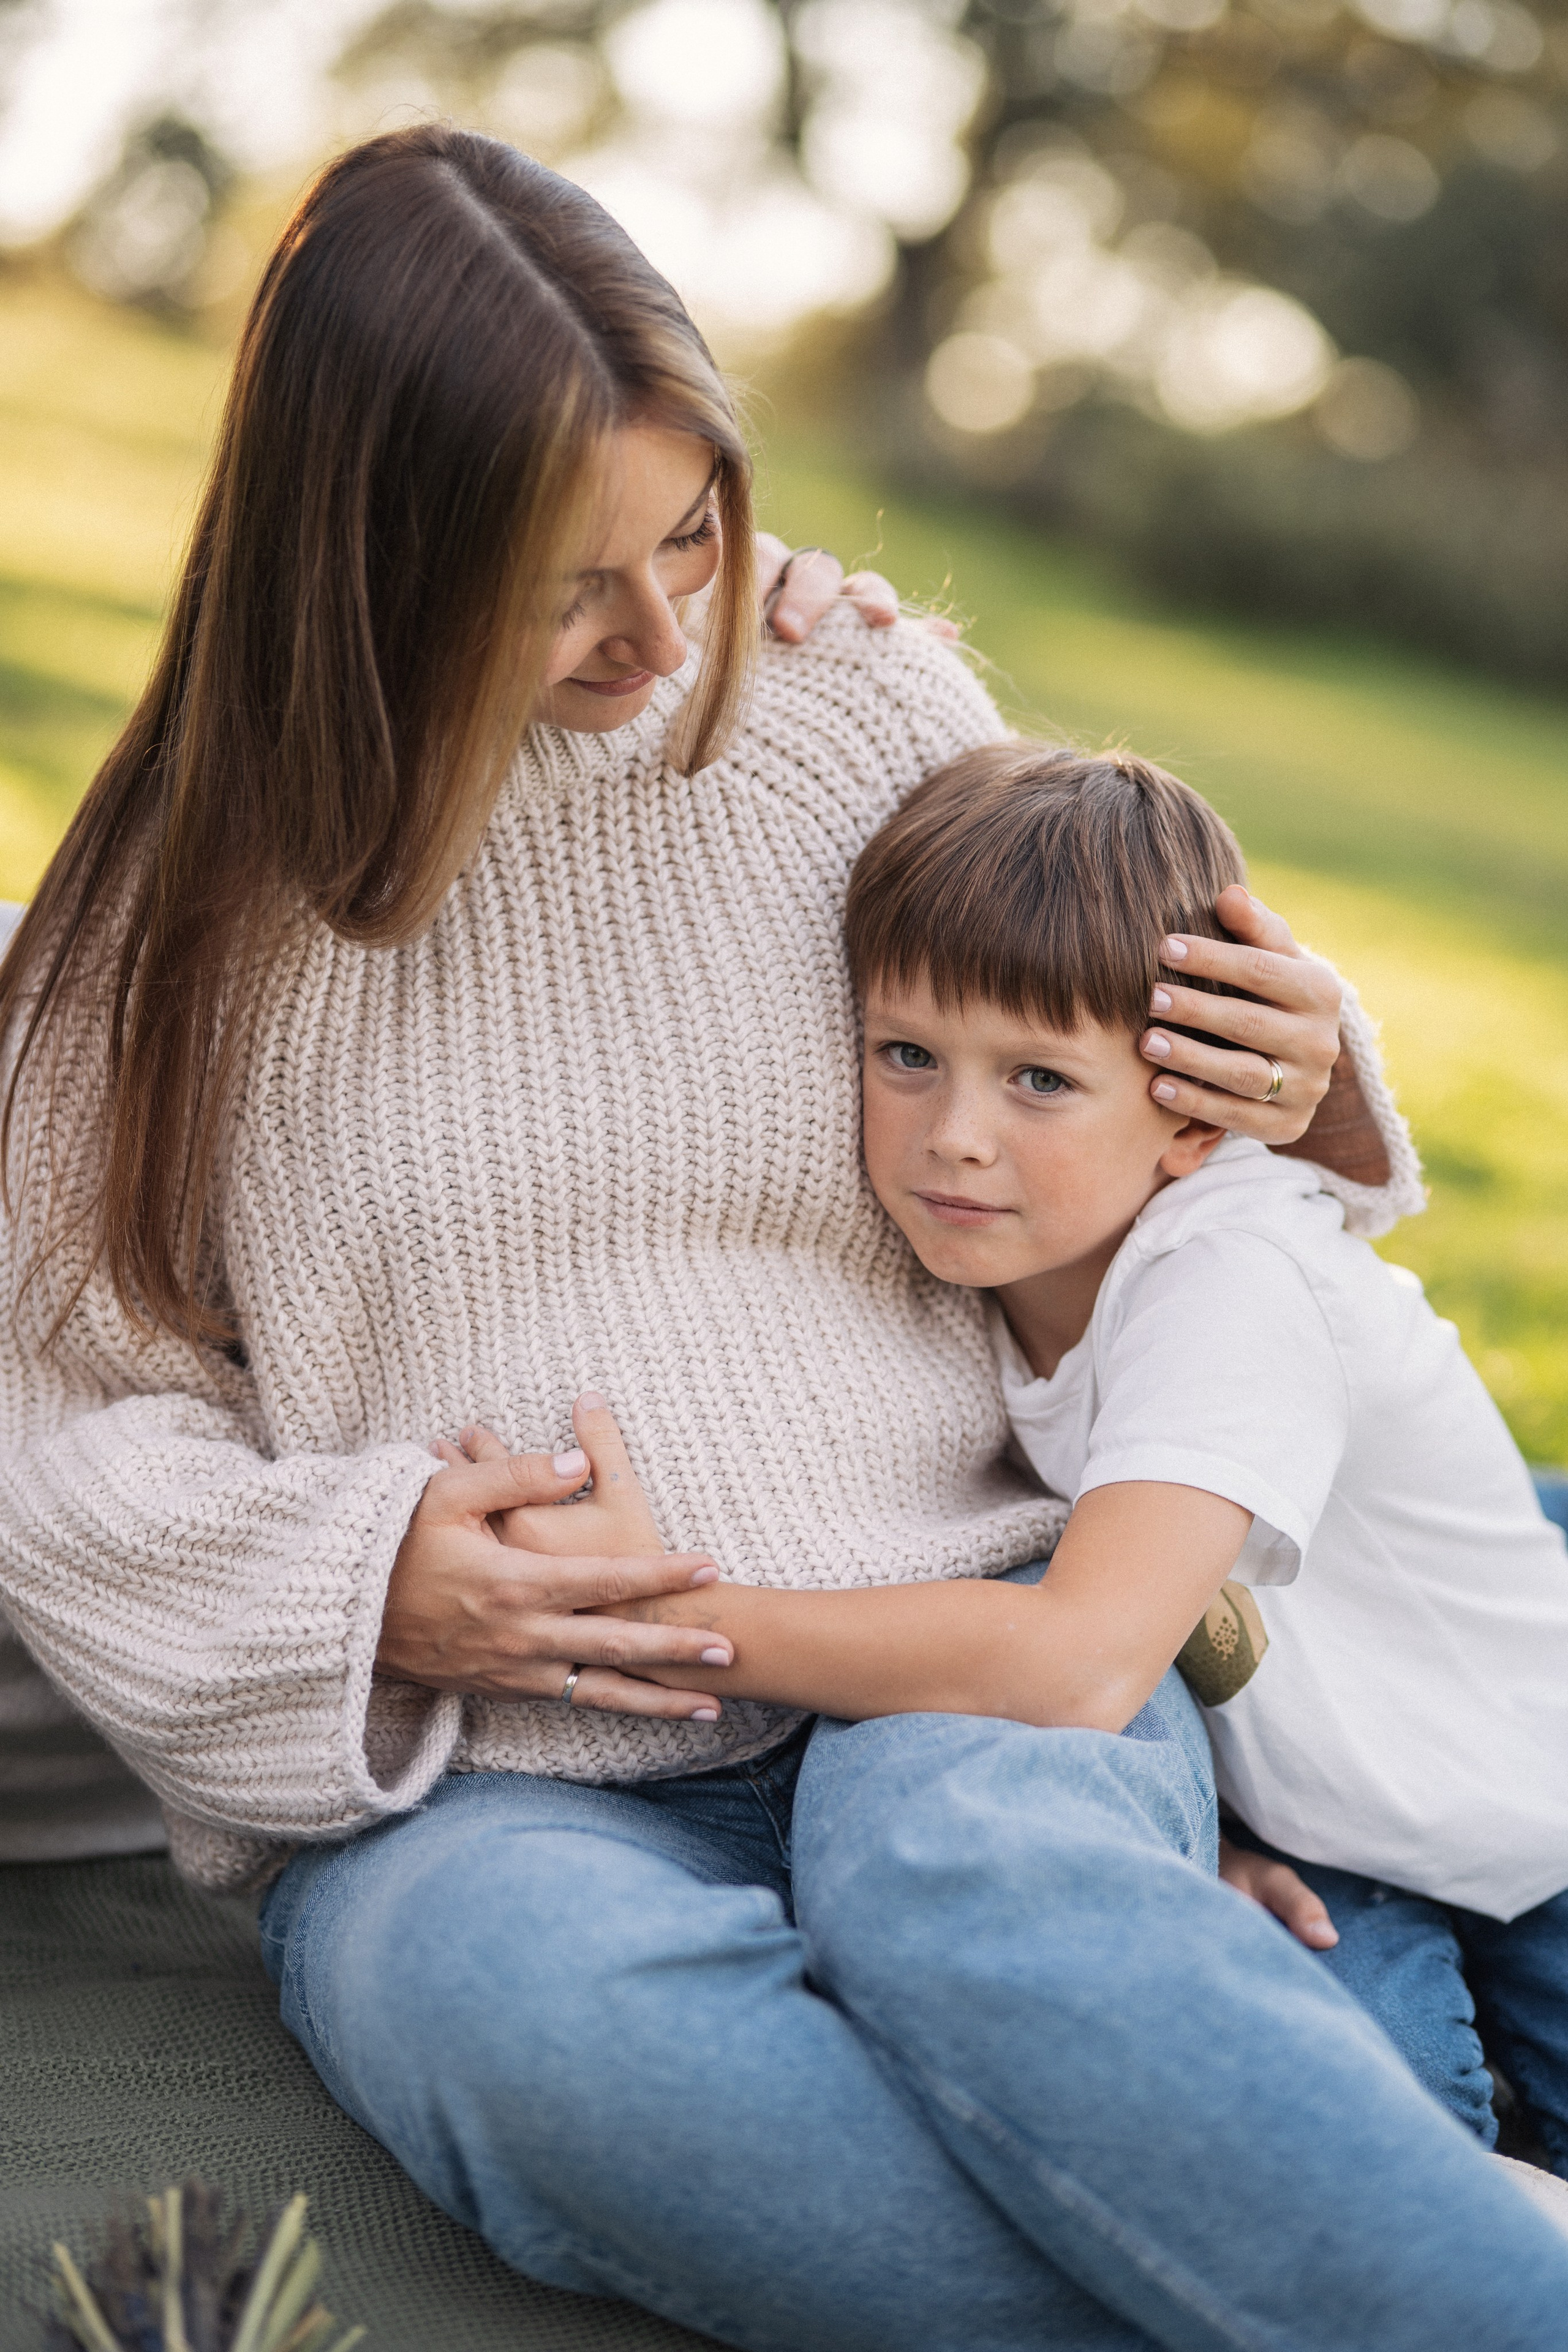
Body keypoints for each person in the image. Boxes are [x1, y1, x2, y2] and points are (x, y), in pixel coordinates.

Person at [1, 124, 1564, 2350]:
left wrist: (1289, 1050)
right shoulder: (158, 940)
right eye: (563, 581)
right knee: (554, 2050)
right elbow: (60, 1438)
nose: (663, 630)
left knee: (989, 1895)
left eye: (698, 527)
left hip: (954, 1630)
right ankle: (1416, 2251)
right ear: (360, 563)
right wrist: (378, 1585)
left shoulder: (856, 700)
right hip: (501, 1789)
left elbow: (1088, 1059)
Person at [556, 742, 1568, 2183]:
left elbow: (1081, 1661)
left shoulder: (1230, 1283)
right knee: (1332, 2143)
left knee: (1420, 2195)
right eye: (907, 1056)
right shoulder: (994, 1277)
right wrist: (1198, 1828)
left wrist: (685, 1631)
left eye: (1038, 1079)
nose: (953, 1140)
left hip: (1532, 1796)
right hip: (1337, 1834)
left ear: (1194, 1113)